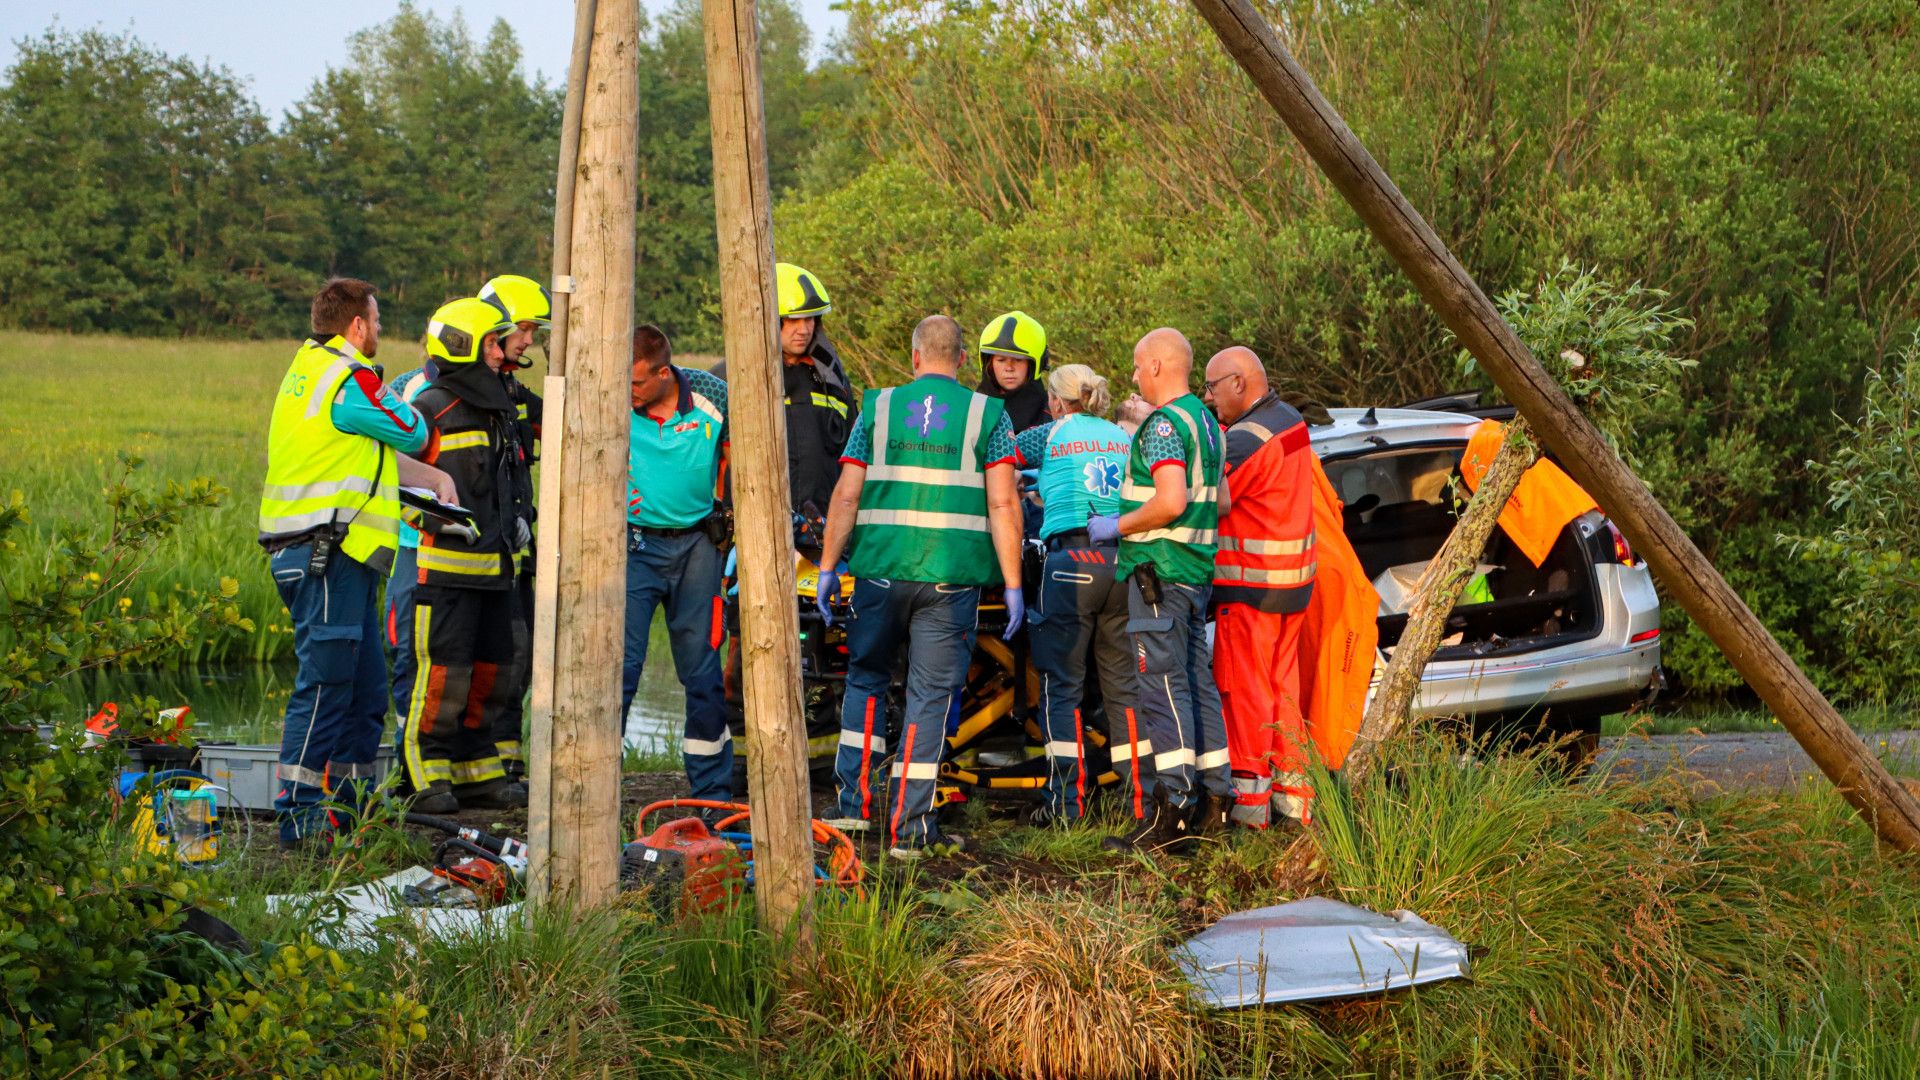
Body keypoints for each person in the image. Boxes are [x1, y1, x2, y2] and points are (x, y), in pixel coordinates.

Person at [813, 315, 1026, 860]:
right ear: (960, 360)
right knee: (930, 698)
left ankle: (853, 808)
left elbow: (845, 495)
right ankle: (911, 830)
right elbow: (1004, 503)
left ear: (914, 358)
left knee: (865, 679)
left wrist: (831, 564)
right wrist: (1013, 582)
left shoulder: (877, 409)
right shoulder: (987, 416)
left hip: (880, 574)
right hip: (951, 581)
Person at [258, 278, 454, 847]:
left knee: (367, 691)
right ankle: (299, 814)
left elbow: (376, 454)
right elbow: (413, 431)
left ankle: (351, 812)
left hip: (340, 556)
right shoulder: (348, 378)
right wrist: (398, 403)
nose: (380, 330)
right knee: (326, 684)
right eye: (377, 319)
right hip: (326, 555)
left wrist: (434, 482)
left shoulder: (310, 370)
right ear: (358, 326)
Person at [1087, 327, 1230, 854]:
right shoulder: (1208, 423)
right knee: (1197, 685)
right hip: (1194, 573)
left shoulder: (1163, 426)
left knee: (1161, 692)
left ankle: (1170, 814)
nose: (1131, 376)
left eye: (1135, 365)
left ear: (1155, 367)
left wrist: (1116, 526)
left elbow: (1170, 501)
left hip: (1158, 577)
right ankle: (1216, 801)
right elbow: (1223, 503)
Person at [400, 297, 530, 814]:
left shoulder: (498, 408)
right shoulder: (431, 408)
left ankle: (477, 774)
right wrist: (443, 522)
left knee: (492, 674)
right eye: (496, 343)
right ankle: (424, 779)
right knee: (441, 678)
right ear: (467, 347)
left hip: (498, 573)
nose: (503, 353)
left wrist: (523, 515)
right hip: (447, 575)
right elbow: (399, 486)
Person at [1009, 364, 1141, 825]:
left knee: (1060, 688)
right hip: (1121, 563)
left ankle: (1065, 807)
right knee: (1124, 688)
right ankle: (1138, 803)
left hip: (1070, 565)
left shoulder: (1048, 433)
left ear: (1059, 401)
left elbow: (998, 460)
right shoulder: (1123, 437)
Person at [1202, 346, 1318, 828]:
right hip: (1293, 586)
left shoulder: (1246, 438)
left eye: (1210, 388)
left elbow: (1214, 498)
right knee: (1283, 693)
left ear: (1238, 383)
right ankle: (1294, 803)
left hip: (1252, 588)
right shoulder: (1289, 418)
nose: (1207, 399)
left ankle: (1250, 813)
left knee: (1245, 694)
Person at [621, 325, 733, 804]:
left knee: (703, 671)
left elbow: (742, 456)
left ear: (665, 373)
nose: (628, 392)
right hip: (632, 549)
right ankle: (600, 785)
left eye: (637, 383)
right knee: (619, 670)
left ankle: (711, 790)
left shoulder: (712, 395)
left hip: (696, 549)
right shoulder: (613, 398)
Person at [476, 273, 550, 786]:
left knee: (512, 658)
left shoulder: (508, 390)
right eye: (523, 330)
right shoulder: (439, 389)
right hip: (450, 557)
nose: (530, 341)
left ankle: (504, 764)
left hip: (509, 552)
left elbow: (556, 421)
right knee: (460, 665)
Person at [977, 310, 1052, 432]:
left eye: (1018, 360)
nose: (1009, 368)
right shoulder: (971, 409)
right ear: (989, 365)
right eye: (1001, 360)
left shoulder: (1054, 410)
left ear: (1035, 364)